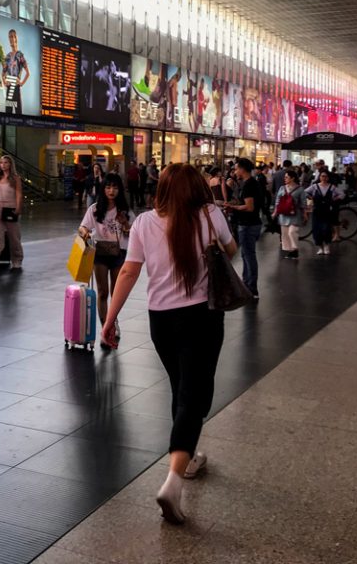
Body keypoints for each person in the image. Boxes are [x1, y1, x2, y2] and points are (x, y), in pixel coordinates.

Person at [101, 164, 236, 524]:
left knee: (181, 387)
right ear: (195, 188)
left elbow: (129, 271)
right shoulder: (210, 214)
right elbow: (232, 251)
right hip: (202, 318)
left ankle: (187, 456)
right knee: (196, 396)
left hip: (160, 320)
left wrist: (110, 319)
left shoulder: (145, 222)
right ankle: (174, 480)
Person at [77, 173, 135, 349]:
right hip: (100, 253)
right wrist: (85, 233)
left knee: (116, 293)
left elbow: (133, 233)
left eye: (115, 187)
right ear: (103, 189)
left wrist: (125, 224)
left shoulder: (125, 210)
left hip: (119, 254)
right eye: (108, 187)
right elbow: (82, 227)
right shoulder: (95, 209)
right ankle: (106, 328)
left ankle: (113, 322)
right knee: (102, 292)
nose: (111, 191)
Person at [227, 158, 262, 299]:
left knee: (248, 255)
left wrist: (233, 207)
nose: (235, 172)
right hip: (251, 223)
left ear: (242, 169)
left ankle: (251, 287)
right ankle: (247, 284)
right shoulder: (251, 183)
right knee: (246, 255)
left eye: (236, 169)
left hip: (248, 224)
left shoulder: (249, 185)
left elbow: (249, 207)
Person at [0, 155, 24, 273]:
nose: (3, 165)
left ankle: (17, 259)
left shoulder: (15, 178)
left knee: (14, 237)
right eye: (1, 162)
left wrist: (18, 208)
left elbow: (19, 194)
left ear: (10, 164)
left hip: (11, 208)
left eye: (6, 162)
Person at [306, 170, 344, 255]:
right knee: (317, 230)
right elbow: (305, 192)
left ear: (328, 178)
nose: (324, 178)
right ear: (319, 177)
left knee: (326, 229)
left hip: (327, 211)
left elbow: (342, 194)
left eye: (325, 176)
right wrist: (310, 197)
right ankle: (320, 247)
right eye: (322, 176)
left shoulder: (332, 187)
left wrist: (335, 199)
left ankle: (327, 246)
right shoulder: (315, 186)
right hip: (317, 211)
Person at [274, 170, 307, 259]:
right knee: (284, 234)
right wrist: (275, 212)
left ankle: (295, 248)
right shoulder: (282, 188)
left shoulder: (300, 189)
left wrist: (305, 213)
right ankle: (290, 250)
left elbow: (303, 202)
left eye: (287, 177)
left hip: (295, 214)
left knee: (292, 232)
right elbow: (277, 200)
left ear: (292, 178)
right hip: (283, 215)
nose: (284, 179)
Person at [0, 28, 30, 114]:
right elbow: (3, 74)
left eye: (13, 36)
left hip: (16, 88)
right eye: (10, 37)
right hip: (9, 88)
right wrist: (5, 82)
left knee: (18, 113)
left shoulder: (20, 55)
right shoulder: (8, 56)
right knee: (7, 114)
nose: (11, 38)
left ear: (16, 38)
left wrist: (21, 83)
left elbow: (28, 73)